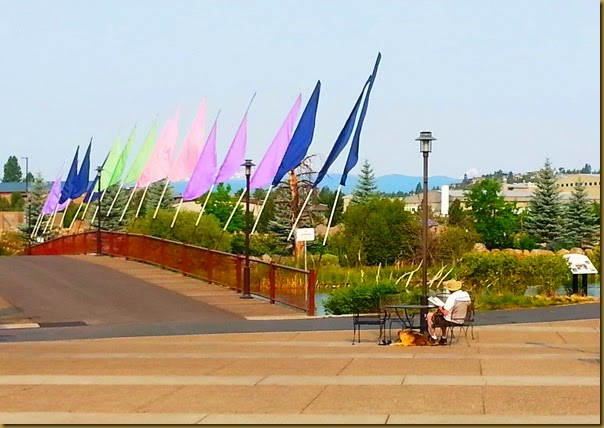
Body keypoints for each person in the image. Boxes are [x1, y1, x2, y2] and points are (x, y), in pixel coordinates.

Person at [426, 279, 472, 345]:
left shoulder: (452, 297)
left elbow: (445, 312)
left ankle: (434, 338)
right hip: (462, 319)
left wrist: (440, 307)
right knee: (441, 317)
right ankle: (443, 338)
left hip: (451, 320)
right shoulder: (466, 294)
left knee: (430, 315)